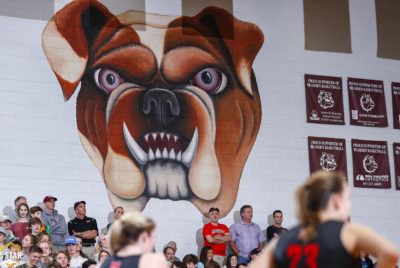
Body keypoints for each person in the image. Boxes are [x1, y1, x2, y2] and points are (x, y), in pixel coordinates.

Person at [248, 171, 399, 268]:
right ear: (335, 201)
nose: (350, 205)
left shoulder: (283, 239)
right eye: (348, 199)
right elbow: (390, 254)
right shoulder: (347, 231)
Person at [100, 211, 167, 268]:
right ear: (143, 237)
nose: (153, 242)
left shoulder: (107, 262)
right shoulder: (152, 262)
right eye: (153, 237)